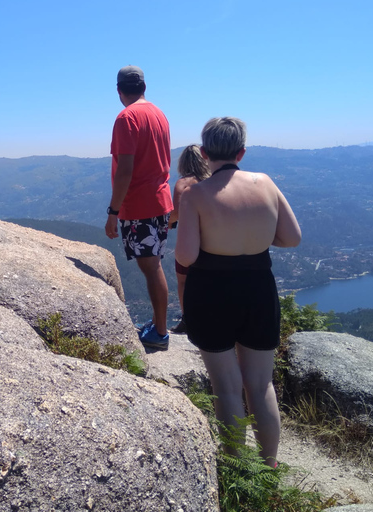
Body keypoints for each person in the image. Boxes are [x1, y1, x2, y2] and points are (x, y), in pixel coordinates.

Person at [175, 117, 301, 467]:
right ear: (241, 151)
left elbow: (186, 255)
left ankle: (235, 467)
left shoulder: (195, 195)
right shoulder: (265, 183)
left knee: (226, 387)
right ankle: (269, 467)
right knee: (260, 385)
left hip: (211, 293)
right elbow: (292, 238)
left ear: (203, 152)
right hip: (259, 288)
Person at [105, 66, 173, 351]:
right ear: (144, 87)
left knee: (151, 267)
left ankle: (159, 332)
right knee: (154, 263)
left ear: (119, 91)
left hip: (140, 206)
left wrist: (113, 212)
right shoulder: (159, 115)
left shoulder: (127, 117)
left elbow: (125, 171)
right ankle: (159, 326)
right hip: (160, 201)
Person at [168, 144, 211, 334]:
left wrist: (167, 222)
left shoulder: (183, 184)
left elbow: (175, 213)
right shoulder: (213, 181)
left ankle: (188, 320)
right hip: (212, 240)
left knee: (184, 282)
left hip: (188, 240)